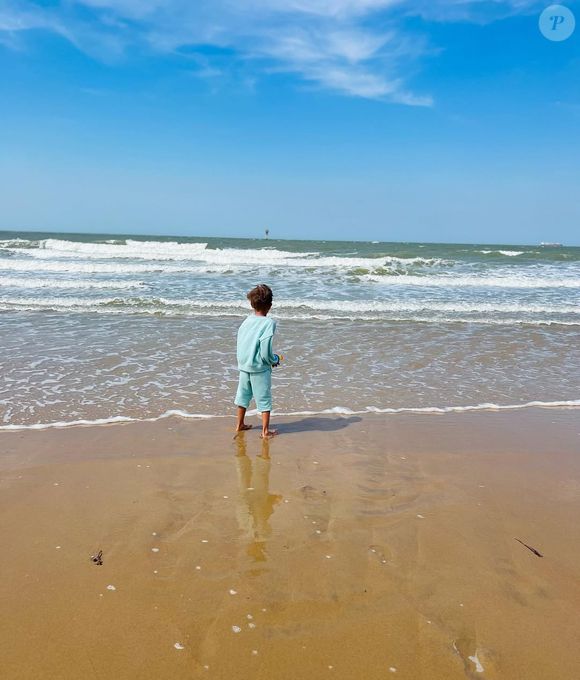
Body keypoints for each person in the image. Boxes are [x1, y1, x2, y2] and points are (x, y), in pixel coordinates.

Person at [234, 283, 281, 438]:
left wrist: (242, 361)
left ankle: (240, 424)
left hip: (244, 365)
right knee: (264, 399)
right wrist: (273, 360)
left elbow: (241, 342)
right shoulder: (269, 323)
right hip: (259, 368)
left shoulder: (246, 321)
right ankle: (265, 431)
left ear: (252, 304)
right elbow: (266, 350)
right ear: (270, 305)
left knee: (243, 396)